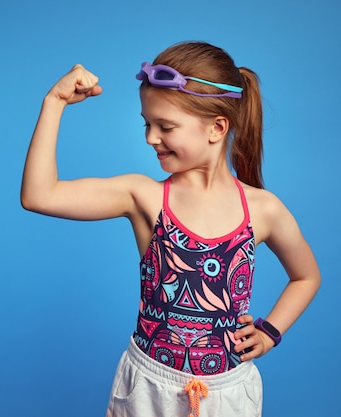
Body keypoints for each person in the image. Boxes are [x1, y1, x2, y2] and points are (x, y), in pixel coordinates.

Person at [21, 41, 321, 417]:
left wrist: (270, 333)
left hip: (228, 395)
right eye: (147, 124)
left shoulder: (263, 209)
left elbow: (305, 276)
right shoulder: (144, 197)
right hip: (149, 390)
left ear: (216, 128)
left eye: (166, 126)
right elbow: (39, 196)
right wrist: (54, 102)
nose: (150, 138)